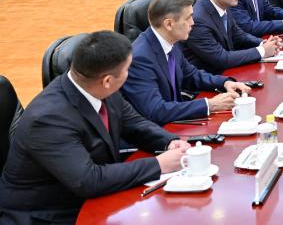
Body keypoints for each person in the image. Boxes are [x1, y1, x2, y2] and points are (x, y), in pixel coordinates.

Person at [0, 31, 189, 224]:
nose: (129, 74)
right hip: (48, 215)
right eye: (127, 69)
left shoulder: (96, 86)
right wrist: (159, 164)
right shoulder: (47, 119)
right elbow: (88, 180)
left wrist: (169, 141)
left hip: (91, 198)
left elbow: (134, 123)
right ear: (107, 80)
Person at [122, 0, 253, 124]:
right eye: (188, 18)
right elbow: (156, 110)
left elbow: (191, 75)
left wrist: (225, 83)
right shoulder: (140, 58)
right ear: (169, 24)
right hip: (158, 130)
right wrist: (209, 105)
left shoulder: (170, 40)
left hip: (177, 122)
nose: (192, 23)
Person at [184, 0, 282, 74]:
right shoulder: (198, 20)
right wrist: (262, 50)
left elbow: (239, 35)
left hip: (229, 73)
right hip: (210, 80)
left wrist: (264, 43)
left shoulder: (223, 5)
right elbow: (221, 59)